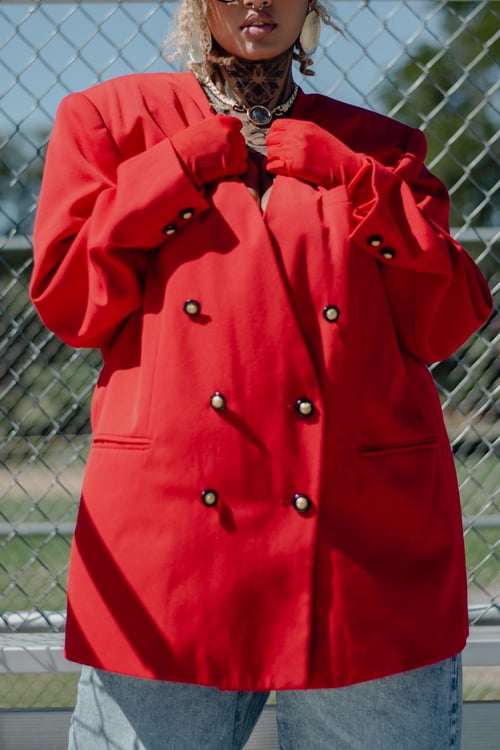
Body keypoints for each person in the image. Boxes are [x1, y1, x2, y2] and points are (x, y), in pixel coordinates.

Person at [30, 0, 492, 748]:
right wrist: (175, 168)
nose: (257, 1)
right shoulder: (111, 122)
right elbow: (71, 305)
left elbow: (446, 320)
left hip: (359, 551)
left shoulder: (379, 147)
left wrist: (355, 179)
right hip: (177, 550)